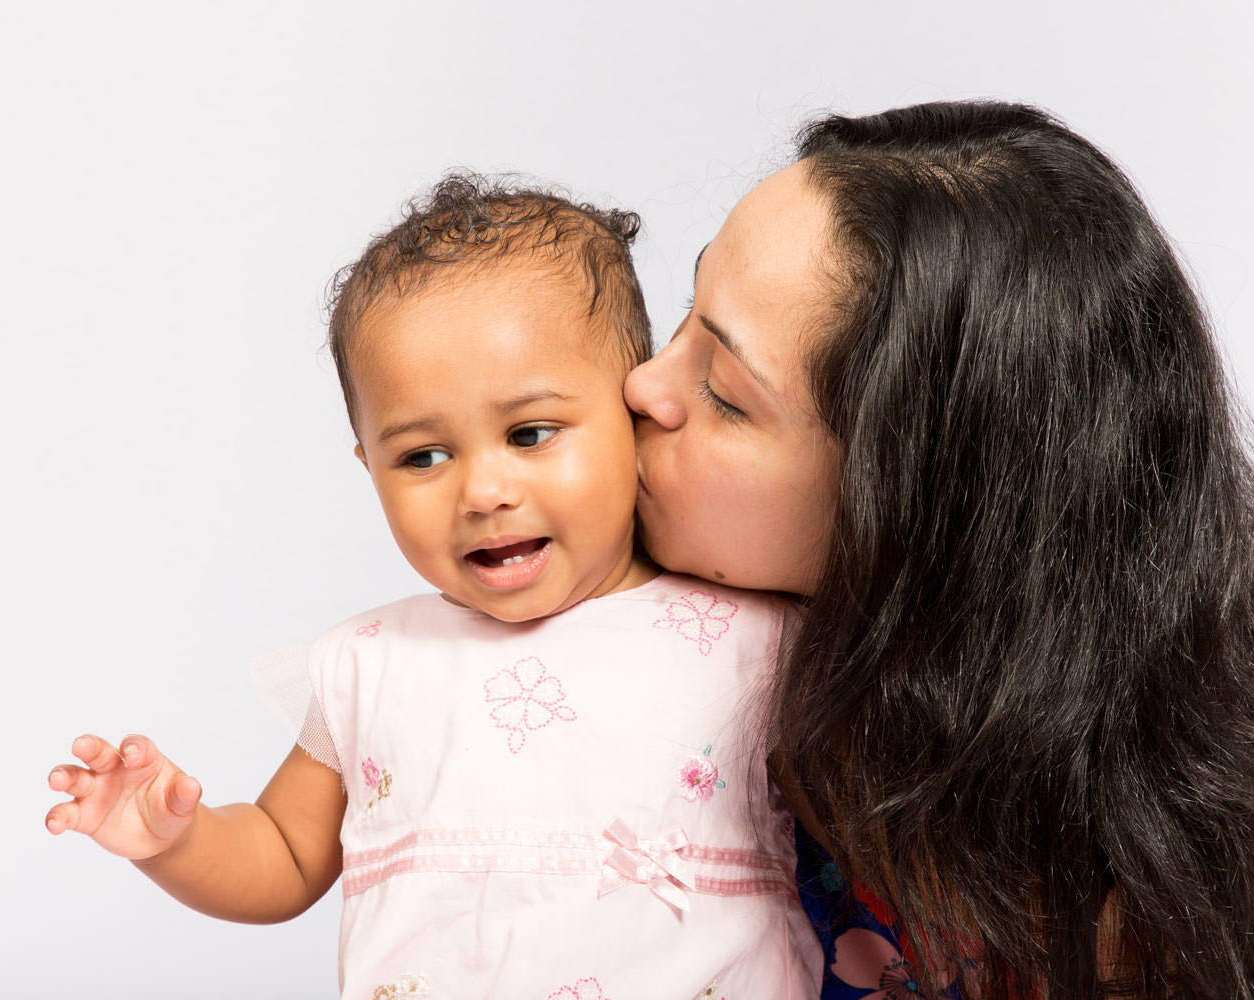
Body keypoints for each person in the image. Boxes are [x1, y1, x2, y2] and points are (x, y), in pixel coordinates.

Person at [624, 102, 1254, 999]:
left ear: (917, 507)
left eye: (725, 394)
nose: (642, 384)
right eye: (686, 308)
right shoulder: (612, 655)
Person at [43, 175, 820, 999]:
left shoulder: (754, 641)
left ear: (633, 412)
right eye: (422, 456)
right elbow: (281, 854)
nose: (483, 491)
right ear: (368, 468)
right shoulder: (372, 664)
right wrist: (175, 838)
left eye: (531, 434)